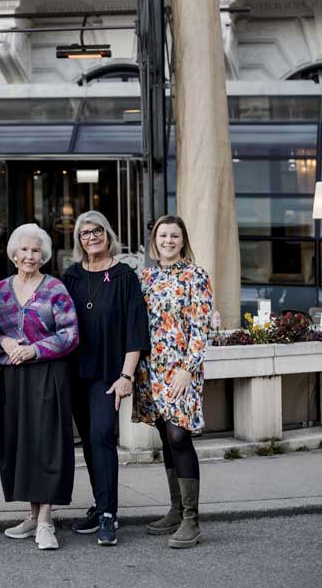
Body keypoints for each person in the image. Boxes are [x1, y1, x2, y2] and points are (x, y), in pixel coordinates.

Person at [62, 211, 150, 547]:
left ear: (107, 233)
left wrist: (127, 374)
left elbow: (135, 328)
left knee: (102, 436)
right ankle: (100, 506)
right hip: (74, 374)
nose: (92, 237)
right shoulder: (71, 276)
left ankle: (110, 514)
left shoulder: (125, 275)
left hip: (108, 375)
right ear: (79, 241)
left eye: (97, 230)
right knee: (88, 439)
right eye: (85, 233)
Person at [0, 224, 79, 551]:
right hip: (14, 376)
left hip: (48, 374)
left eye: (36, 250)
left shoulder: (55, 289)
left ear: (44, 255)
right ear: (14, 254)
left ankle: (46, 521)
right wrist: (4, 341)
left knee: (46, 445)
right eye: (24, 250)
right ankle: (32, 515)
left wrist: (35, 349)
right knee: (21, 445)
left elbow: (70, 335)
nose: (30, 256)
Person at [132, 215, 213, 549]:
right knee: (166, 437)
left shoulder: (196, 276)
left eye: (174, 236)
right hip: (151, 370)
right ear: (155, 240)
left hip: (181, 370)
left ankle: (192, 520)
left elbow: (202, 326)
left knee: (179, 435)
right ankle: (176, 510)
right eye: (162, 235)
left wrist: (187, 369)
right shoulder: (146, 277)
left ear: (183, 240)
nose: (168, 241)